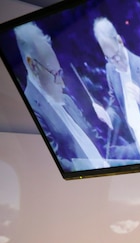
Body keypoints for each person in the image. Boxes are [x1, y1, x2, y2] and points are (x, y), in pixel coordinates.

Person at [13, 22, 109, 171]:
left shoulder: (66, 97)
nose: (62, 84)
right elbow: (56, 165)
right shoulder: (29, 109)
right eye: (55, 74)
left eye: (60, 72)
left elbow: (96, 140)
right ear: (32, 65)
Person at [92, 17, 140, 162]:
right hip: (136, 144)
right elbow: (115, 104)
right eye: (109, 58)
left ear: (120, 41)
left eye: (116, 56)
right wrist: (107, 115)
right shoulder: (110, 69)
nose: (115, 62)